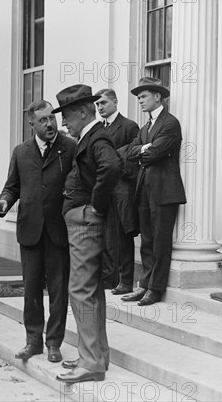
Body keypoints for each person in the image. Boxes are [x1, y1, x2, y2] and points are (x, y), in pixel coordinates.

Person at [0, 100, 76, 363]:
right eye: (43, 120)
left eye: (52, 118)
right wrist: (5, 201)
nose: (50, 124)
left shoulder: (69, 147)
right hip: (30, 231)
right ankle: (33, 341)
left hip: (58, 231)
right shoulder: (20, 152)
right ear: (31, 124)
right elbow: (12, 186)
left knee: (59, 290)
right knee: (31, 290)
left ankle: (54, 343)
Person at [54, 84, 123, 384]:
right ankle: (95, 356)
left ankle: (92, 362)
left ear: (84, 111)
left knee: (80, 290)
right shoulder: (90, 136)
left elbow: (112, 167)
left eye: (67, 116)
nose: (63, 123)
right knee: (91, 291)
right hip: (82, 221)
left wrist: (95, 206)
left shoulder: (96, 137)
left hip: (85, 223)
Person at [121, 77, 186, 306]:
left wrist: (144, 149)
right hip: (144, 189)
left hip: (165, 191)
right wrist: (144, 148)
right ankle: (145, 286)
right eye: (138, 97)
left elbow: (154, 154)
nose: (140, 101)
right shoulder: (146, 126)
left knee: (160, 241)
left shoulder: (170, 123)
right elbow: (130, 151)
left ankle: (155, 289)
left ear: (157, 96)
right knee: (147, 240)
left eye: (143, 96)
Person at [94, 89, 140, 294]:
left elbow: (133, 154)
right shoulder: (97, 129)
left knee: (123, 236)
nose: (100, 107)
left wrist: (114, 159)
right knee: (105, 235)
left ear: (115, 102)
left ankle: (126, 280)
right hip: (104, 189)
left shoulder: (129, 126)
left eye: (103, 103)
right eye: (97, 104)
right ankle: (109, 279)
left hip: (122, 189)